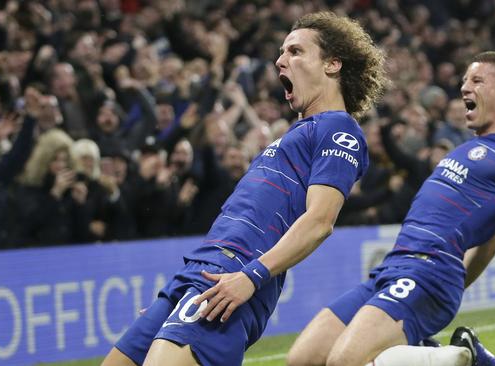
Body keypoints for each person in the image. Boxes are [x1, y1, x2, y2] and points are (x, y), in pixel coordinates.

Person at [102, 11, 387, 366]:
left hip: (236, 272)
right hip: (200, 269)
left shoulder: (338, 129)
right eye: (281, 52)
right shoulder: (295, 134)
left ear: (332, 64)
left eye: (295, 52)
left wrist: (250, 278)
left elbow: (319, 222)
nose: (280, 60)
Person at [287, 51, 495, 366]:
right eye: (464, 80)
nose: (465, 87)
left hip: (428, 273)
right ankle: (457, 357)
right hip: (391, 271)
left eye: (476, 80)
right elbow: (488, 243)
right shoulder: (465, 149)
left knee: (344, 362)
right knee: (301, 360)